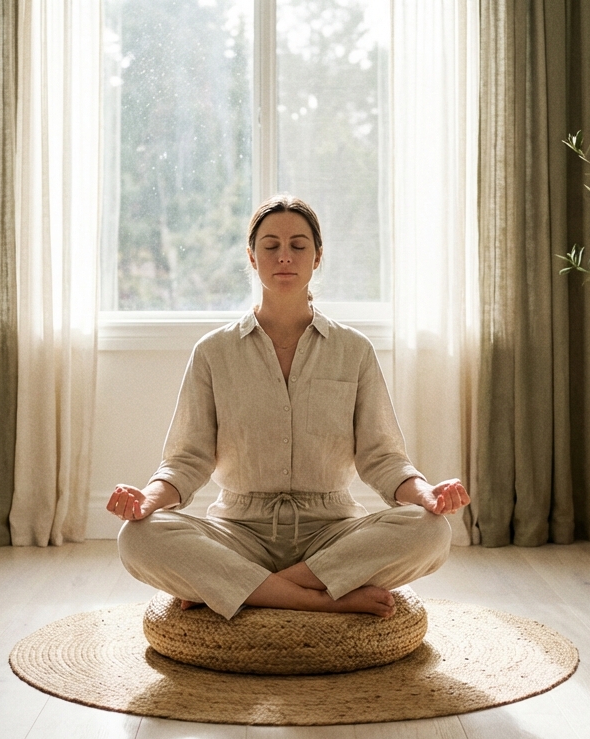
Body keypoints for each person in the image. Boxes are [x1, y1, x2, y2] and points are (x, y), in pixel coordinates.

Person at [108, 194, 470, 620]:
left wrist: (426, 495)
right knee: (138, 538)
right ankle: (316, 596)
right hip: (238, 531)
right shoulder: (213, 352)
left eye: (298, 246)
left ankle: (240, 587)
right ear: (251, 256)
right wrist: (146, 501)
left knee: (430, 531)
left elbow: (382, 458)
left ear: (317, 257)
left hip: (332, 531)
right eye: (270, 246)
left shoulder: (354, 350)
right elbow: (188, 459)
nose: (284, 257)